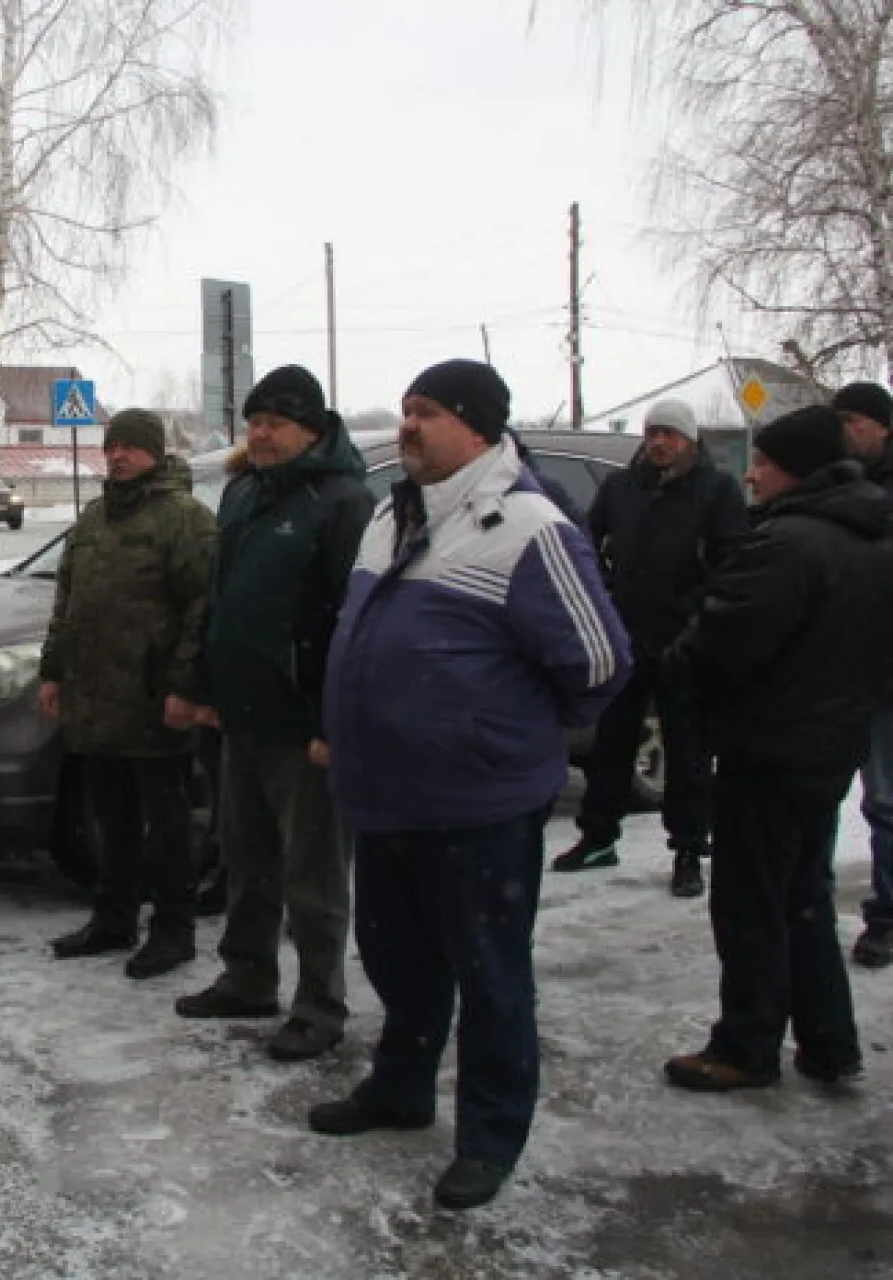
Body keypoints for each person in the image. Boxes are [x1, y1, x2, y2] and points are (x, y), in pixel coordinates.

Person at [309, 360, 629, 1211]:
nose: (406, 426)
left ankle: (489, 1137)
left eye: (426, 413)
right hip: (388, 797)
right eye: (405, 409)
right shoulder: (389, 515)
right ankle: (401, 1090)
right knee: (396, 959)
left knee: (490, 975)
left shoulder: (527, 525)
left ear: (478, 427)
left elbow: (599, 661)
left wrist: (496, 732)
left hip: (479, 805)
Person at [661, 407, 893, 1091]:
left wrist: (681, 668)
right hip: (827, 748)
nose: (751, 474)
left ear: (795, 468)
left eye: (762, 462)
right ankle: (827, 1043)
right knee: (803, 900)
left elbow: (721, 643)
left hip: (767, 748)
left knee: (752, 905)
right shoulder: (872, 534)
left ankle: (746, 1044)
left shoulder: (791, 543)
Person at [179, 367, 372, 1062]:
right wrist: (204, 684)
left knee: (312, 876)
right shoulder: (242, 494)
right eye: (253, 422)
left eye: (275, 424)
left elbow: (356, 621)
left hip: (304, 726)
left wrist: (333, 721)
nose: (258, 435)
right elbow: (220, 600)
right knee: (246, 856)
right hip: (242, 715)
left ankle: (320, 1004)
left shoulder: (343, 501)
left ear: (312, 431)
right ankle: (247, 976)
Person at [39, 408, 215, 980]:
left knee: (165, 827)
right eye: (111, 446)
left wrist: (185, 687)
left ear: (155, 454)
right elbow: (65, 602)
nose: (117, 455)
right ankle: (112, 919)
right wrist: (53, 672)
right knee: (110, 820)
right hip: (95, 700)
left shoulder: (185, 519)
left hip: (152, 701)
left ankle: (173, 930)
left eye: (130, 447)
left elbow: (202, 611)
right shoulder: (93, 520)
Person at [552, 398, 746, 896]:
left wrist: (694, 619)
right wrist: (606, 601)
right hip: (626, 636)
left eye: (671, 434)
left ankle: (687, 851)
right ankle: (598, 837)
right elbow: (588, 547)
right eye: (653, 433)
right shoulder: (621, 488)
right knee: (610, 746)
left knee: (687, 753)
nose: (660, 442)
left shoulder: (716, 490)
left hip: (685, 644)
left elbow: (731, 565)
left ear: (690, 440)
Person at [834, 381, 893, 969]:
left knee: (884, 801)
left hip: (884, 675)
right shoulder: (839, 485)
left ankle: (887, 916)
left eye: (853, 420)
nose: (843, 431)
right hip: (836, 671)